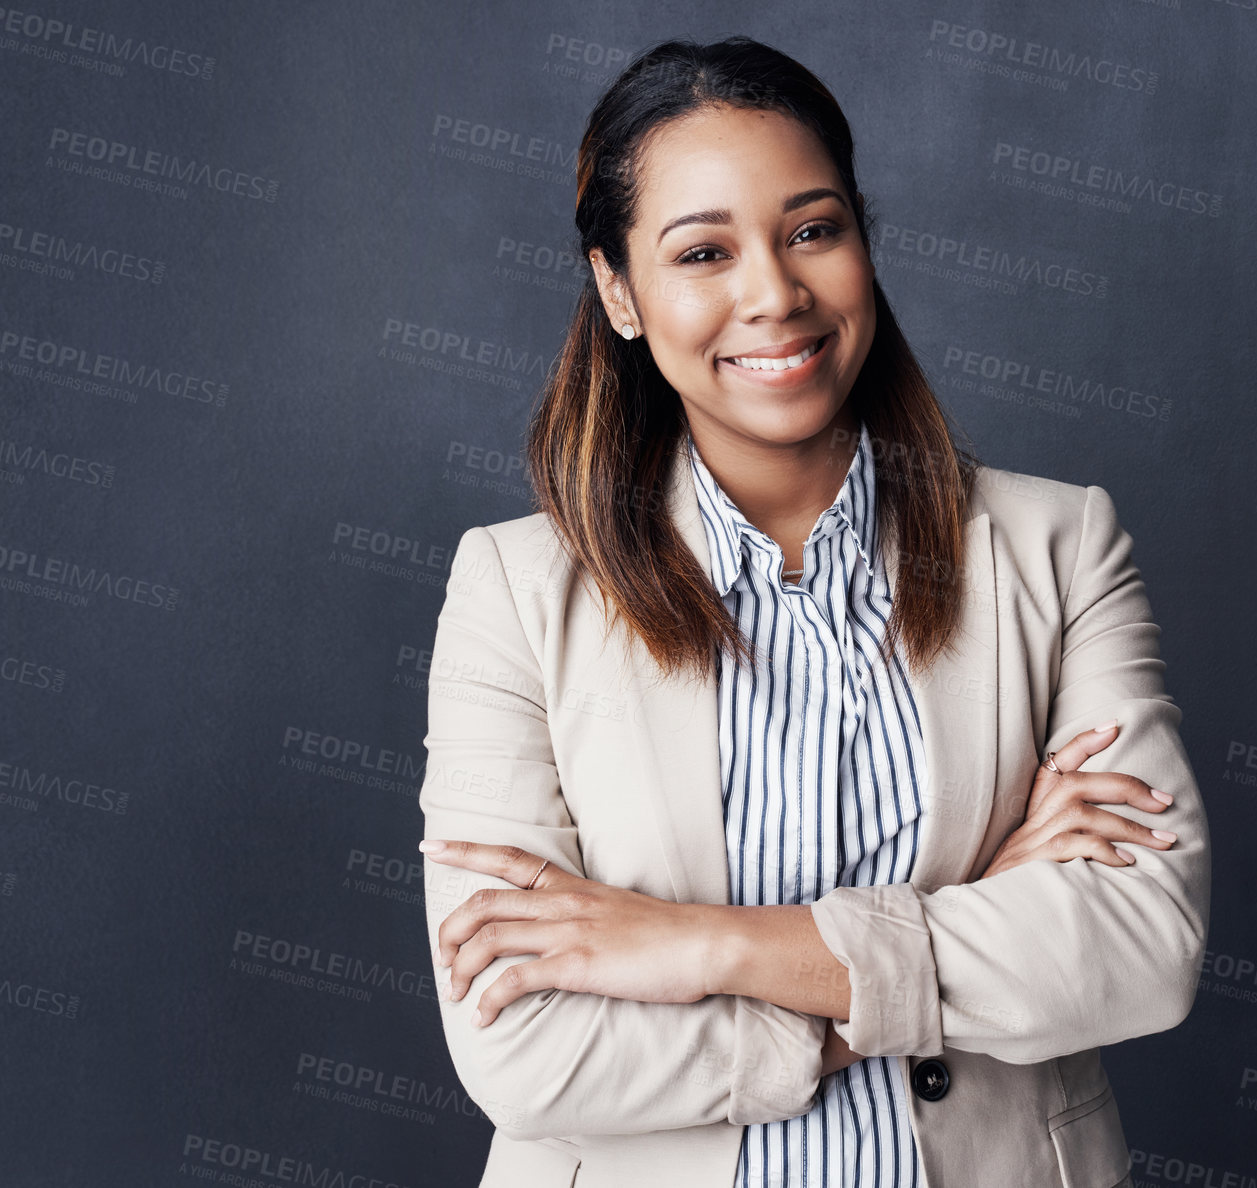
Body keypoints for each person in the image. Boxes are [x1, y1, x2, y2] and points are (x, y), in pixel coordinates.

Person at [416, 36, 1208, 1188]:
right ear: (618, 293)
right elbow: (522, 1047)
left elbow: (1139, 952)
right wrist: (962, 927)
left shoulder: (1056, 544)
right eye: (701, 252)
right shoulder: (515, 591)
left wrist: (701, 946)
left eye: (811, 230)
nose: (773, 294)